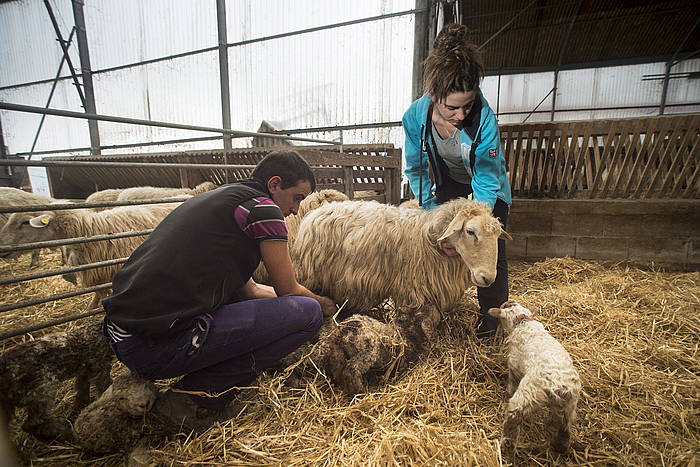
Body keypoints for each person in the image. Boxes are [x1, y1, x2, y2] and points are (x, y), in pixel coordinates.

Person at [102, 150, 336, 431]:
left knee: (290, 310)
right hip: (153, 347)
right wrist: (326, 304)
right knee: (308, 313)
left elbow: (250, 291)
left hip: (122, 338)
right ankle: (193, 400)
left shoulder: (225, 201)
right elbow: (287, 290)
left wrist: (285, 310)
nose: (297, 210)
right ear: (274, 184)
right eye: (297, 197)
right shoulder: (264, 209)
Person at [402, 23, 512, 339]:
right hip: (449, 184)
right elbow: (418, 170)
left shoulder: (484, 120)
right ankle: (436, 313)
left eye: (468, 104)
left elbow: (487, 178)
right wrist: (436, 216)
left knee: (491, 252)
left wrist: (474, 219)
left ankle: (490, 325)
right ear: (433, 95)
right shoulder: (414, 118)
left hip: (488, 190)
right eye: (452, 107)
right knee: (441, 246)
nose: (462, 114)